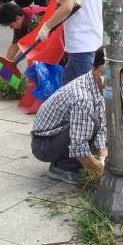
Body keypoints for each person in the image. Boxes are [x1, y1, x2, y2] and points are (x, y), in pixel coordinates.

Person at [31, 47, 107, 184]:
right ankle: (62, 167)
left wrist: (103, 156)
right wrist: (100, 169)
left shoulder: (98, 84)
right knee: (88, 124)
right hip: (43, 144)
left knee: (94, 123)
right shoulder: (82, 98)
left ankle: (68, 160)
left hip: (57, 135)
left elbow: (102, 126)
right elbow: (79, 148)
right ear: (100, 71)